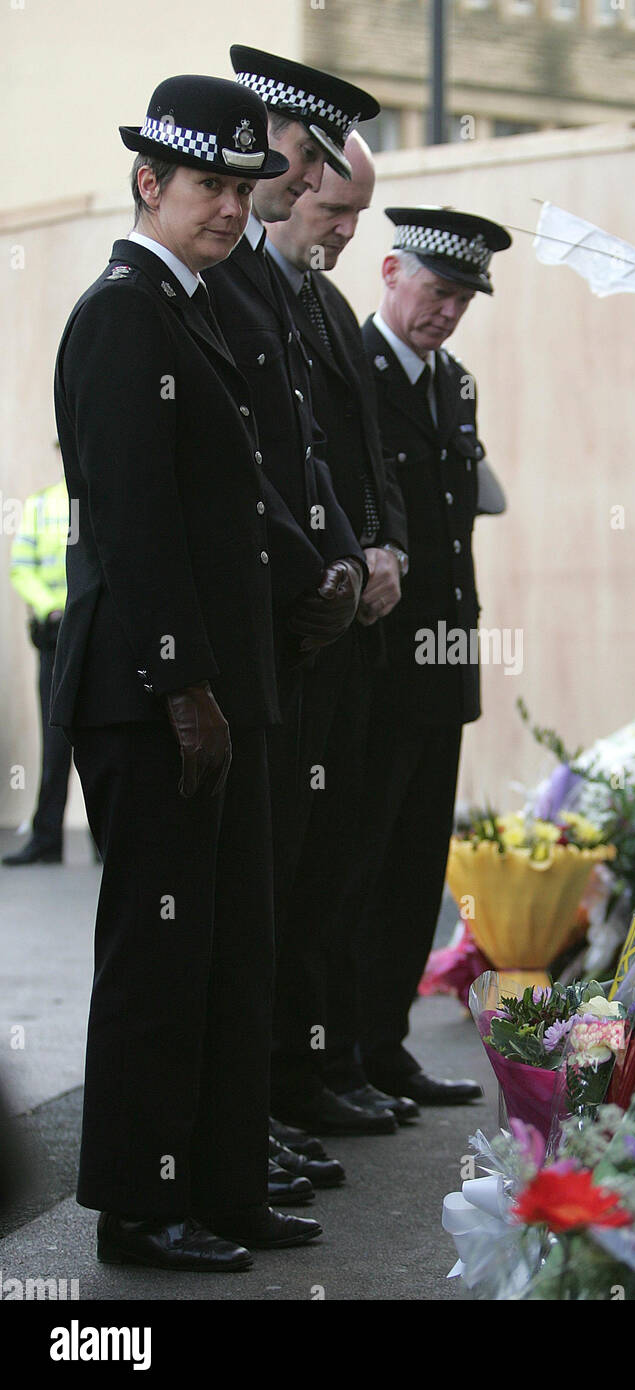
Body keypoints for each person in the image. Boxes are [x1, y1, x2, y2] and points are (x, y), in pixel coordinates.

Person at [51, 74, 322, 1270]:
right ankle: (141, 1202)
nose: (228, 206)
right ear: (148, 183)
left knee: (225, 948)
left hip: (219, 686)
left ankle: (217, 1184)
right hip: (157, 695)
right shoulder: (124, 313)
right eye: (206, 184)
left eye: (240, 184)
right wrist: (182, 686)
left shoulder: (192, 308)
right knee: (162, 954)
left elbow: (232, 508)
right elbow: (134, 519)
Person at [204, 47, 391, 1143]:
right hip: (245, 636)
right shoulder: (203, 283)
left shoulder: (280, 289)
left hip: (304, 619)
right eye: (312, 162)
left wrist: (362, 552)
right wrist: (319, 567)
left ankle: (266, 1105)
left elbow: (321, 457)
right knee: (228, 912)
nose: (314, 192)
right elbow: (240, 469)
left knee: (300, 884)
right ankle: (234, 1124)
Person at [264, 135, 418, 1132]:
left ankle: (317, 1071)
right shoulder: (249, 293)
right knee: (290, 877)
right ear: (297, 182)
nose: (348, 231)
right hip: (296, 626)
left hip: (351, 619)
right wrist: (335, 560)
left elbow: (369, 455)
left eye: (361, 216)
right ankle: (279, 1089)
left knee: (338, 869)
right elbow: (272, 466)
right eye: (335, 212)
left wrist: (389, 545)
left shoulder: (321, 304)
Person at [353, 207, 512, 1105]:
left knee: (418, 867)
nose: (446, 312)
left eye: (461, 299)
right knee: (361, 865)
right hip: (376, 665)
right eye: (436, 289)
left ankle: (385, 1043)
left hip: (443, 659)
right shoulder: (353, 373)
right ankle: (337, 1052)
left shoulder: (455, 386)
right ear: (390, 272)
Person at [4, 476, 72, 866]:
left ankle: (106, 843)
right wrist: (52, 606)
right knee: (55, 739)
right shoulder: (42, 504)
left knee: (105, 737)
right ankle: (47, 837)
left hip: (98, 633)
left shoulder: (104, 491)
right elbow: (21, 567)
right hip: (56, 634)